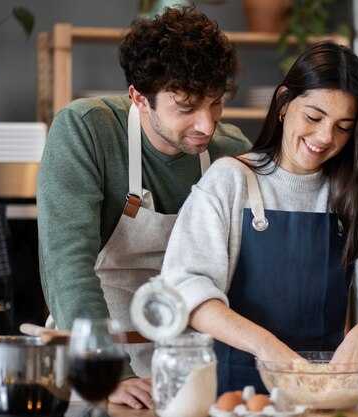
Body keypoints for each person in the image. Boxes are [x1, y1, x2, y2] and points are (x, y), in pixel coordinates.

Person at [160, 41, 358, 393]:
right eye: (314, 117)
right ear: (283, 103)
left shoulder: (353, 195)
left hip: (323, 394)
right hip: (234, 395)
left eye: (343, 126)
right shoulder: (231, 179)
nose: (325, 137)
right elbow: (186, 288)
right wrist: (270, 349)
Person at [36, 5, 252, 409]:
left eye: (215, 103)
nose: (206, 125)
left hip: (192, 365)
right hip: (98, 356)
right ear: (140, 98)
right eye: (186, 108)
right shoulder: (86, 130)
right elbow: (66, 260)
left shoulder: (232, 151)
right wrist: (106, 369)